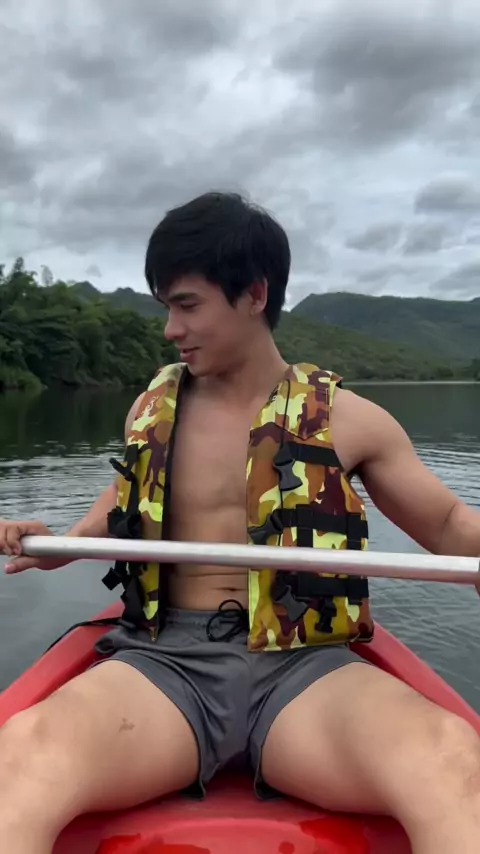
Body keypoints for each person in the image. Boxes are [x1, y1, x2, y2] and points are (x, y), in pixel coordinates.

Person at [0, 191, 479, 854]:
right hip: (165, 667)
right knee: (21, 758)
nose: (170, 329)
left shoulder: (349, 419)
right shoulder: (150, 408)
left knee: (452, 763)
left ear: (254, 294)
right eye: (166, 307)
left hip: (305, 674)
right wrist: (63, 545)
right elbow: (125, 502)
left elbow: (449, 523)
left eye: (187, 305)